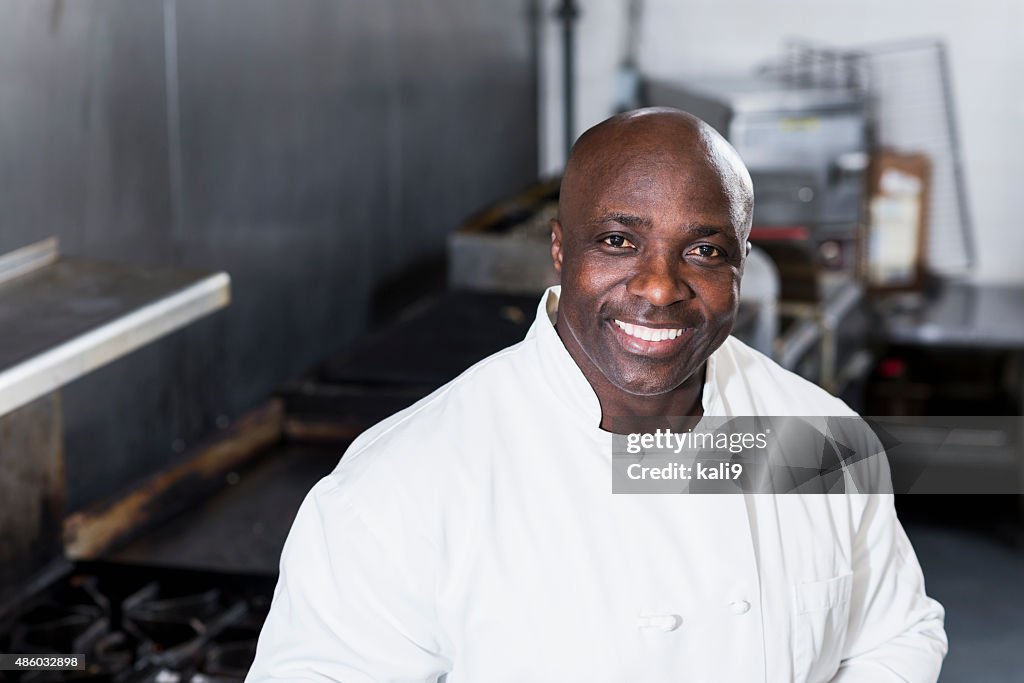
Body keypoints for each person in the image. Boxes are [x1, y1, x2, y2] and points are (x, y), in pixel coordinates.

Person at [246, 108, 946, 682]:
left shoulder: (815, 436)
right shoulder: (405, 486)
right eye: (618, 240)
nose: (658, 287)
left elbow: (895, 635)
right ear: (560, 249)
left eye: (704, 250)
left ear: (741, 264)